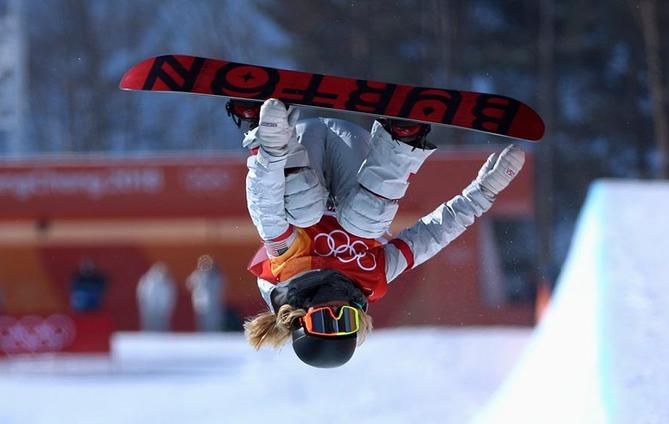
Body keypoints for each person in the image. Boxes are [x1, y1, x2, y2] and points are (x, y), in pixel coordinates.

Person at [234, 98, 525, 368]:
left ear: (299, 320)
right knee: (365, 224)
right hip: (353, 153)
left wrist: (269, 150)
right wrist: (484, 192)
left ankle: (260, 126)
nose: (336, 310)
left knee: (292, 218)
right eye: (346, 320)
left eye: (324, 321)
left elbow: (266, 206)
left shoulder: (283, 274)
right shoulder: (371, 278)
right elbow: (433, 234)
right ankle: (403, 136)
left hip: (297, 148)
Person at [186, 254, 225, 332]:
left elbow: (221, 287)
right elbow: (189, 284)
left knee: (214, 321)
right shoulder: (197, 275)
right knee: (201, 322)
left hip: (214, 302)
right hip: (200, 302)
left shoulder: (216, 276)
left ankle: (215, 336)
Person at [136, 262, 177, 331]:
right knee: (148, 321)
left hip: (162, 307)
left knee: (162, 321)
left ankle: (162, 335)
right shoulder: (146, 280)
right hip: (149, 306)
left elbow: (171, 295)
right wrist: (143, 305)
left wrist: (167, 306)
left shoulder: (168, 282)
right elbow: (141, 293)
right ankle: (147, 334)